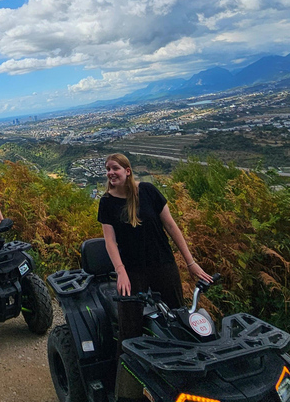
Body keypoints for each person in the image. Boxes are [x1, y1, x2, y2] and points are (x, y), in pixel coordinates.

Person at [97, 153, 212, 401]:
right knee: (129, 330)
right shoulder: (106, 203)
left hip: (162, 264)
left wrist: (191, 263)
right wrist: (121, 271)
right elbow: (110, 241)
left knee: (177, 320)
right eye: (107, 169)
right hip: (132, 270)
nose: (110, 173)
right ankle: (124, 392)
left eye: (115, 168)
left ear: (128, 170)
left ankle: (185, 381)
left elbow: (171, 227)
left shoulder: (148, 191)